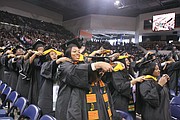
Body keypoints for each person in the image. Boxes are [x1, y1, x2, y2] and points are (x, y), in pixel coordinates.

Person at [55, 39, 119, 120]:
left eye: (78, 51)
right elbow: (75, 72)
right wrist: (97, 65)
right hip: (67, 104)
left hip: (82, 105)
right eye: (74, 51)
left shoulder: (81, 64)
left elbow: (87, 69)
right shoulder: (64, 66)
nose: (77, 53)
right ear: (68, 53)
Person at [38, 48, 71, 116]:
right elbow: (50, 68)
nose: (54, 56)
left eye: (55, 54)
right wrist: (58, 61)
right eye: (52, 54)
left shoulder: (61, 65)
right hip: (47, 94)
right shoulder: (45, 64)